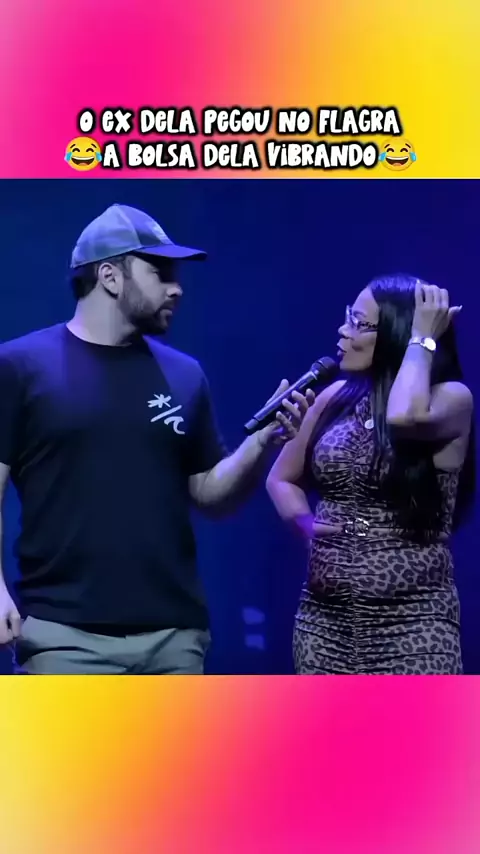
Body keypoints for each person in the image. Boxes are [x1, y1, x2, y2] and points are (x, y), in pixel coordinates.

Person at [0, 203, 314, 675]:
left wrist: (260, 442)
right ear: (110, 276)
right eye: (160, 271)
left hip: (175, 640)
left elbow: (209, 495)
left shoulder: (184, 374)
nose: (177, 288)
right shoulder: (20, 366)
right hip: (65, 638)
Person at [267, 275, 475, 675]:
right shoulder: (335, 398)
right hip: (323, 626)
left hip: (413, 627)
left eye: (359, 323)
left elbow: (403, 417)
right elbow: (282, 478)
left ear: (398, 332)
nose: (343, 331)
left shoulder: (450, 399)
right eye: (348, 317)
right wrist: (304, 523)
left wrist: (422, 338)